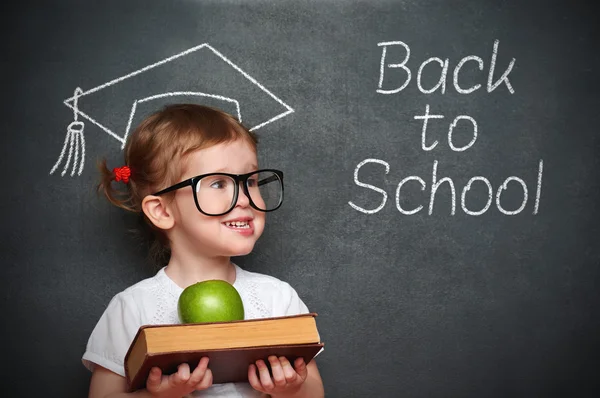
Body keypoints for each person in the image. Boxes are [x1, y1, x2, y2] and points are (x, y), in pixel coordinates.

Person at [82, 104, 324, 398]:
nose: (245, 198)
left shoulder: (278, 298)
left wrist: (289, 390)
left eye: (249, 181)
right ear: (161, 210)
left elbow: (314, 392)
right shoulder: (132, 308)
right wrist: (160, 396)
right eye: (219, 183)